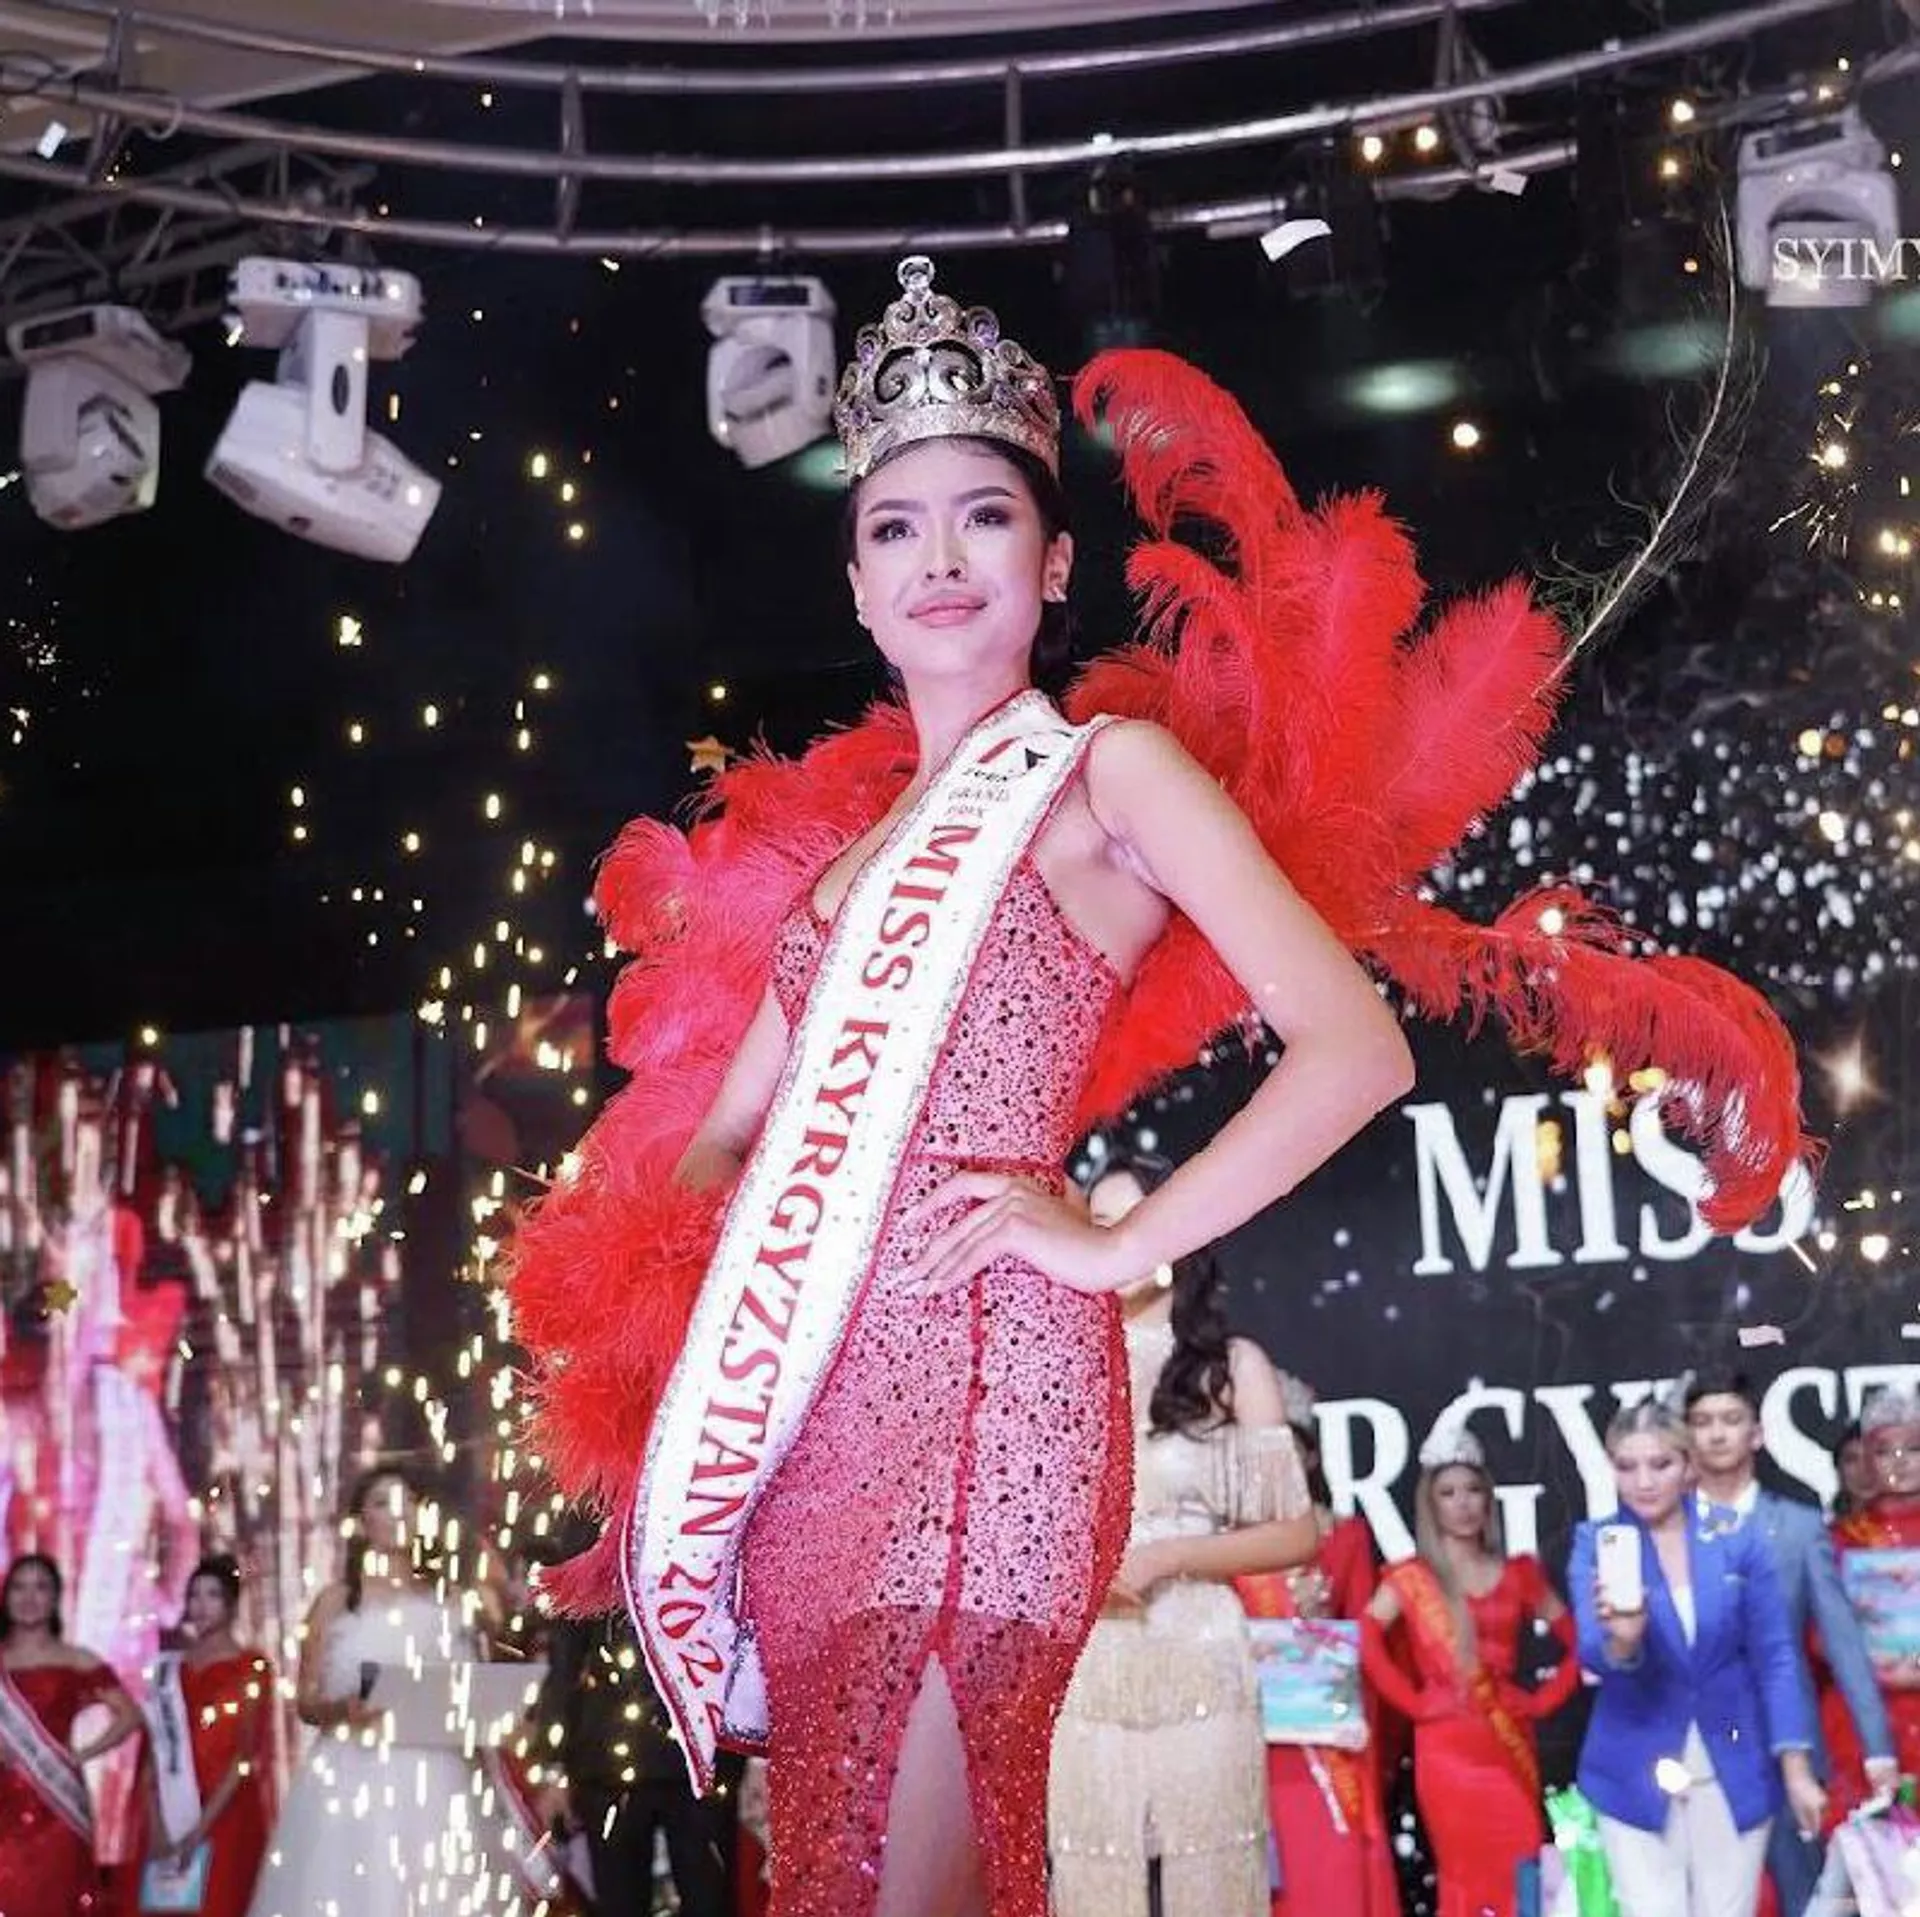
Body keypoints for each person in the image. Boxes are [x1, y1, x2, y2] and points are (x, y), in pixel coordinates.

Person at [507, 255, 1812, 1917]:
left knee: (916, 1875)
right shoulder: (841, 875)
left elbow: (1356, 1048)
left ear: (1054, 563)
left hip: (995, 1388)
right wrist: (642, 1305)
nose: (940, 559)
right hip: (817, 1411)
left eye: (984, 517)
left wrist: (1118, 1243)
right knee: (832, 1872)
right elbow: (729, 1140)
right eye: (896, 528)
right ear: (857, 587)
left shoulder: (1107, 775)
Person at [1047, 1147, 1316, 1917]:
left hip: (1202, 1660)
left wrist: (1170, 1555)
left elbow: (1296, 1532)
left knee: (1212, 1880)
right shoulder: (1060, 1367)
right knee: (1091, 1880)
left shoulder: (1229, 1366)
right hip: (1089, 1667)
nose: (1117, 1239)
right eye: (1099, 1223)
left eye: (1134, 1219)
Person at [1569, 1397, 1825, 1917]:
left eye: (1660, 1464)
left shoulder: (1736, 1537)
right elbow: (1594, 1654)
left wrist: (1796, 1768)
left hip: (1733, 1762)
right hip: (1632, 1768)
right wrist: (1624, 1640)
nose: (1643, 1482)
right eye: (1627, 1466)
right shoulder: (1597, 1542)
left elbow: (1775, 1656)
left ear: (1688, 1465)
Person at [245, 1469, 530, 1917]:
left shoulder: (452, 1599)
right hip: (353, 1772)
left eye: (407, 1500)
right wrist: (343, 1710)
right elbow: (306, 1701)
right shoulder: (337, 1601)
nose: (397, 1512)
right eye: (381, 1502)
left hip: (439, 1776)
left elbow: (474, 1691)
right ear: (362, 1523)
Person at [1683, 1371, 1895, 1916]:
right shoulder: (1665, 1529)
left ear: (1756, 1433)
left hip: (1788, 1745)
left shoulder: (1798, 1527)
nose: (1717, 1434)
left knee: (1803, 1895)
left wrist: (1877, 1748)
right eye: (1702, 1422)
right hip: (1694, 1746)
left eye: (1731, 1420)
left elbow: (1844, 1644)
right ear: (1686, 1436)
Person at [1359, 1430, 1576, 1917]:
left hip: (1507, 1743)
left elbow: (1582, 1644)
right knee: (1463, 1877)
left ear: (1488, 1498)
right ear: (1430, 1504)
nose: (1462, 1504)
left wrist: (1541, 1702)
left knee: (1521, 1866)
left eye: (1473, 1490)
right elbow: (1365, 1639)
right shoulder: (1412, 1579)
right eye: (1448, 1493)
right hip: (1447, 1753)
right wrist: (1413, 1703)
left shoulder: (1519, 1573)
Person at [1237, 1395, 1402, 1917]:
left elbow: (1367, 1648)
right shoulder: (1231, 1545)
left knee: (1333, 1866)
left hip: (1328, 1736)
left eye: (1289, 1448)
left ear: (1309, 1454)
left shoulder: (1345, 1536)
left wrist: (1323, 1621)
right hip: (1257, 1741)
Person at [535, 1608, 740, 1917]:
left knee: (703, 1900)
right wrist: (553, 1767)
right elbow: (565, 1661)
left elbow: (564, 1664)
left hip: (685, 1759)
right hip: (640, 1759)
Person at [0, 1551, 143, 1917]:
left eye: (40, 1587)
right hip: (3, 1802)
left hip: (58, 1803)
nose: (29, 1597)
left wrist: (81, 1755)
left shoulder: (76, 1659)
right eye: (19, 1587)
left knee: (59, 1897)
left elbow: (130, 1715)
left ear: (55, 1598)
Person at [138, 1555, 276, 1917]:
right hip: (169, 1810)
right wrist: (154, 1820)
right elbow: (153, 1751)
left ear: (230, 1604)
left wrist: (200, 1829)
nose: (200, 1605)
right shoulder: (168, 1670)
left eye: (212, 1595)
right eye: (194, 1595)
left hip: (225, 1811)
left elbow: (245, 1755)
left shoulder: (251, 1666)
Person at [1825, 1386, 1920, 1811]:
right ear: (1866, 1460)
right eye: (1885, 1452)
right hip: (1866, 1721)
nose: (1900, 1462)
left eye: (1913, 1449)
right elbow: (1817, 1638)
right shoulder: (1839, 1539)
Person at [1830, 1419, 1875, 1520]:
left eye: (1871, 1458)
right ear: (1839, 1470)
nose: (1864, 1469)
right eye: (1852, 1460)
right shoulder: (1818, 1526)